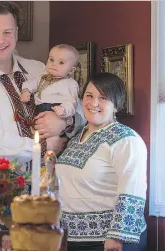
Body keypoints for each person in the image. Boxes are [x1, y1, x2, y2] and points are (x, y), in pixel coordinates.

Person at [0, 2, 85, 169]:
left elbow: (80, 107)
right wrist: (44, 147)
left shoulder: (39, 70)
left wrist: (64, 122)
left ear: (16, 33)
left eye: (7, 32)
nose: (0, 40)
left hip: (48, 181)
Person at [56, 73, 147, 251]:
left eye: (103, 98)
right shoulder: (76, 137)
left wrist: (117, 237)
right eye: (89, 96)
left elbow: (132, 190)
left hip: (107, 242)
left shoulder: (126, 140)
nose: (93, 103)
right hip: (70, 239)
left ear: (116, 105)